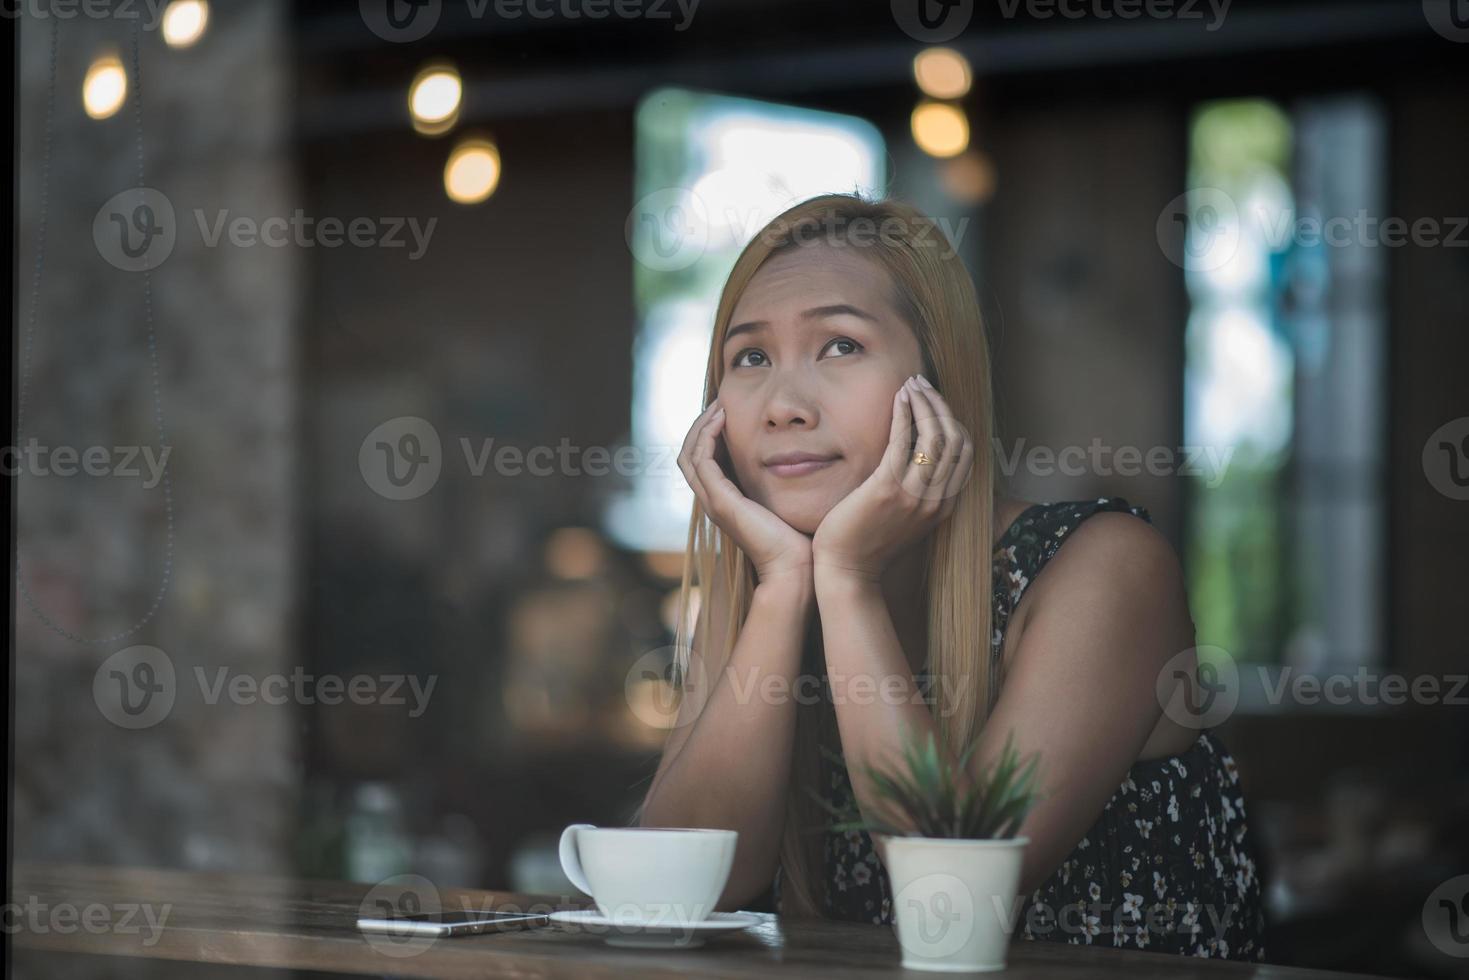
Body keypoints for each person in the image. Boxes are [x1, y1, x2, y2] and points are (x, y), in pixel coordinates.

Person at [635, 193, 1266, 960]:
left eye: (839, 345)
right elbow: (669, 896)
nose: (783, 406)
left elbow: (952, 895)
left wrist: (847, 579)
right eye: (751, 357)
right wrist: (782, 587)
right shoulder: (771, 592)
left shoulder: (1104, 566)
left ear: (939, 384)